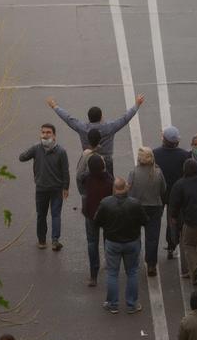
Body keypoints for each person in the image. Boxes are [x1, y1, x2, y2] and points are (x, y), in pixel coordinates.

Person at [46, 94, 144, 175]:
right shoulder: (110, 127)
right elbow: (125, 118)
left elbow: (68, 119)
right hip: (106, 160)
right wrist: (137, 104)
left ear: (89, 118)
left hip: (89, 158)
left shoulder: (83, 128)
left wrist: (55, 106)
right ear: (101, 116)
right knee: (108, 186)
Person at [94, 177, 148, 314]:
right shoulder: (135, 204)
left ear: (114, 188)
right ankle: (132, 304)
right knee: (132, 272)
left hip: (112, 242)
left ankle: (113, 304)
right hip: (131, 242)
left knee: (112, 273)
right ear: (126, 187)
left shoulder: (106, 203)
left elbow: (97, 221)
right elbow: (145, 221)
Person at [19, 123, 70, 251]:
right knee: (41, 215)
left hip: (56, 189)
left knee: (55, 215)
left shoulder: (61, 152)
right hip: (41, 188)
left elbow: (65, 171)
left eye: (48, 133)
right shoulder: (36, 148)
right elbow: (22, 157)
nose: (45, 135)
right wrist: (28, 152)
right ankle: (42, 241)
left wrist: (66, 187)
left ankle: (55, 240)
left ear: (54, 136)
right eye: (43, 132)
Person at [127, 147, 167, 277]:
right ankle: (151, 264)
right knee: (152, 237)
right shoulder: (158, 172)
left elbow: (128, 191)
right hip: (154, 207)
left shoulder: (133, 172)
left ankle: (133, 261)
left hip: (137, 207)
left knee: (135, 235)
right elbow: (163, 189)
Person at [153, 126, 191, 261]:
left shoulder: (155, 154)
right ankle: (171, 245)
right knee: (173, 219)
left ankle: (152, 249)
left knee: (155, 221)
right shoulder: (185, 155)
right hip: (176, 193)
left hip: (159, 192)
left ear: (164, 139)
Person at [78, 154, 114, 286]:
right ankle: (110, 266)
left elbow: (79, 175)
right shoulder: (109, 181)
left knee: (92, 243)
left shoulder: (87, 179)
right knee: (108, 241)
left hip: (91, 214)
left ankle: (93, 275)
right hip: (106, 215)